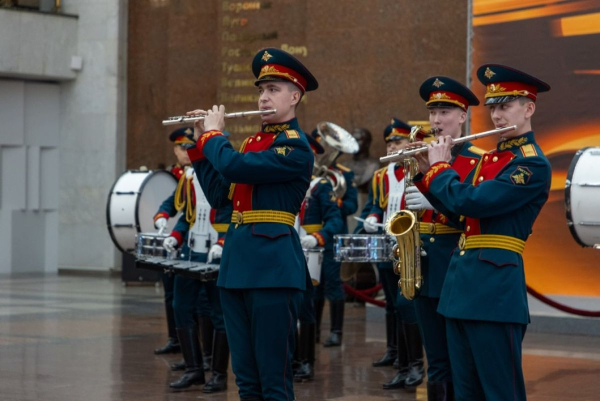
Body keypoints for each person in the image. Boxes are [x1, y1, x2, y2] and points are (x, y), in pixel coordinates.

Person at [412, 64, 552, 401]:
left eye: (505, 106)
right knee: (466, 393)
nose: (497, 116)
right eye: (493, 108)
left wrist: (441, 168)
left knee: (500, 392)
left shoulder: (531, 165)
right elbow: (461, 217)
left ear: (528, 108)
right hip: (461, 289)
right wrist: (423, 175)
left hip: (494, 293)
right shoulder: (490, 158)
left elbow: (474, 201)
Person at [186, 47, 318, 401]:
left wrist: (213, 136)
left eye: (274, 90)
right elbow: (220, 195)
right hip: (238, 266)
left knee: (273, 381)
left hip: (273, 268)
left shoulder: (296, 147)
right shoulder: (251, 143)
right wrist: (200, 145)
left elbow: (235, 167)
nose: (263, 97)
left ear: (295, 96)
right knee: (246, 380)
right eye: (261, 90)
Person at [404, 76, 484, 400]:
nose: (436, 120)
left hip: (458, 268)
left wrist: (434, 197)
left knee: (461, 362)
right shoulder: (422, 155)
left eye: (445, 112)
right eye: (433, 112)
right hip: (425, 269)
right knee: (436, 363)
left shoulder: (477, 160)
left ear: (462, 116)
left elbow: (475, 219)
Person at [159, 132, 232, 393]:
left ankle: (220, 374)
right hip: (190, 252)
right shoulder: (189, 178)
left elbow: (235, 214)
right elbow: (186, 217)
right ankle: (194, 369)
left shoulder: (226, 178)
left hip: (217, 252)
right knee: (181, 306)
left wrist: (222, 243)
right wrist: (175, 238)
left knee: (218, 312)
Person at [362, 118, 424, 391]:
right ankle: (395, 353)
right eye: (389, 142)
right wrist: (371, 218)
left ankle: (414, 364)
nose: (392, 145)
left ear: (408, 143)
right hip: (387, 242)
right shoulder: (381, 175)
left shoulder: (418, 168)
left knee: (407, 305)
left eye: (397, 141)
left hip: (412, 245)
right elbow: (375, 205)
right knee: (391, 302)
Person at [295, 134, 344, 381]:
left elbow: (335, 220)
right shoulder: (285, 182)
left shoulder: (321, 186)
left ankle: (306, 361)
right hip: (286, 248)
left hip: (311, 250)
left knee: (306, 305)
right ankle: (292, 357)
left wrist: (318, 237)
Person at [310, 127, 358, 347]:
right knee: (313, 286)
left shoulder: (343, 174)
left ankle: (336, 332)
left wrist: (335, 202)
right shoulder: (308, 173)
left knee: (333, 283)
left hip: (333, 235)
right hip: (309, 235)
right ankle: (314, 330)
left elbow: (352, 205)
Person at [152, 127, 196, 356]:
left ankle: (200, 353)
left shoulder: (201, 174)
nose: (187, 151)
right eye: (183, 147)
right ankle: (177, 339)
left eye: (192, 146)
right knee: (173, 295)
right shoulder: (170, 176)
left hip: (197, 242)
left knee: (199, 302)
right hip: (174, 240)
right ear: (175, 149)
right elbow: (169, 204)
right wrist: (161, 219)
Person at [344, 128, 381, 192]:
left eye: (357, 140)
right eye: (351, 140)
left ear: (367, 143)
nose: (353, 143)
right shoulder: (344, 165)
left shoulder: (374, 165)